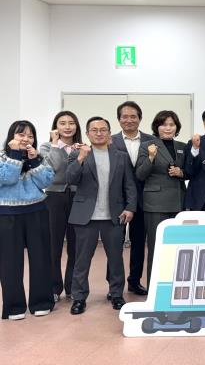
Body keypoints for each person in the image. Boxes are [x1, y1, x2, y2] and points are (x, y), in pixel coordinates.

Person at [66, 117, 136, 315]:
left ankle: (116, 294)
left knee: (116, 259)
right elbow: (70, 179)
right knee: (82, 260)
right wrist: (80, 158)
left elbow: (129, 185)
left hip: (114, 216)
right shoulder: (78, 154)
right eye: (94, 130)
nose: (99, 133)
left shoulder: (121, 156)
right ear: (87, 134)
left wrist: (130, 208)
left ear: (109, 132)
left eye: (103, 129)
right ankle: (79, 298)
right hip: (85, 216)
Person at [0, 120, 55, 320]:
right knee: (9, 262)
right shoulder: (2, 157)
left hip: (36, 211)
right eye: (21, 134)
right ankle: (14, 307)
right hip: (7, 214)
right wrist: (15, 155)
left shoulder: (36, 157)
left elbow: (47, 181)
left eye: (30, 136)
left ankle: (42, 302)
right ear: (11, 137)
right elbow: (6, 178)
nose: (25, 139)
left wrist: (34, 161)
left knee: (41, 258)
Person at [134, 110, 187, 286]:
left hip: (178, 202)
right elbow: (140, 174)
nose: (168, 128)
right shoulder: (147, 145)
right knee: (157, 247)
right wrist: (151, 157)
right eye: (164, 124)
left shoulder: (182, 146)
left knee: (177, 248)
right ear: (157, 127)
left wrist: (181, 173)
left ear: (177, 127)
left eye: (172, 124)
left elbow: (190, 171)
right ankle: (154, 287)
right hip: (156, 203)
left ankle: (174, 285)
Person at [39, 111, 82, 301]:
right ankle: (54, 288)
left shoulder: (81, 147)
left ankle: (72, 287)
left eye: (71, 123)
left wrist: (80, 153)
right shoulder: (47, 147)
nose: (67, 127)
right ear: (55, 126)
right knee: (53, 245)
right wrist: (55, 144)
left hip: (77, 197)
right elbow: (52, 167)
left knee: (75, 245)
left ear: (76, 126)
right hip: (53, 197)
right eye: (62, 123)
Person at [111, 101, 153, 295]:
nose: (129, 120)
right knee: (114, 245)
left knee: (138, 244)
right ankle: (113, 285)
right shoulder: (110, 141)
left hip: (144, 200)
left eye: (133, 116)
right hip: (117, 201)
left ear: (140, 119)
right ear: (119, 119)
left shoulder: (151, 140)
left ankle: (134, 282)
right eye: (125, 116)